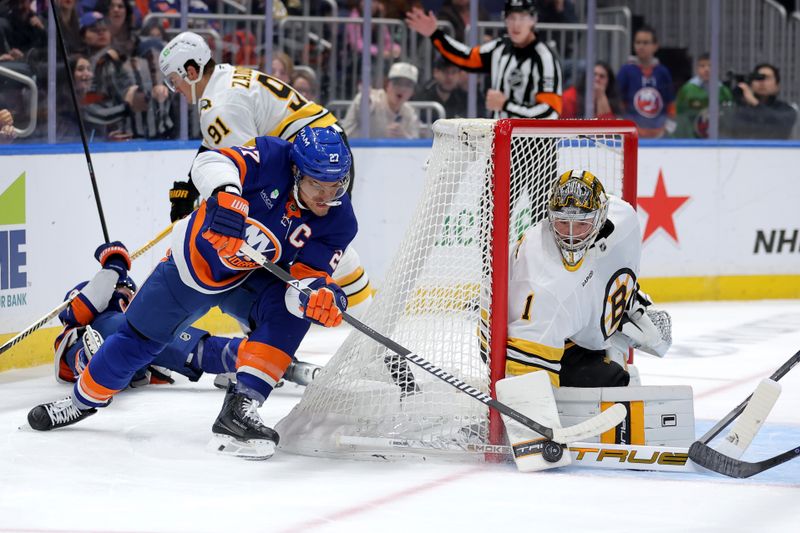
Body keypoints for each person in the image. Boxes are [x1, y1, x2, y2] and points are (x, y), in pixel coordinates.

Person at [28, 126, 356, 461]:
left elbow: (304, 281)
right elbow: (209, 162)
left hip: (250, 280)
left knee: (294, 313)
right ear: (296, 170)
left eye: (335, 185)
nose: (325, 196)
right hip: (193, 268)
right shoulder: (272, 156)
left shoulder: (340, 221)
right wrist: (228, 195)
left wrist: (320, 296)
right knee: (136, 341)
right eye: (316, 183)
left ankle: (240, 408)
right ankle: (81, 402)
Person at [158, 32, 372, 314]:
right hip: (322, 147)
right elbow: (216, 148)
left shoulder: (219, 107)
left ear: (192, 71)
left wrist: (201, 210)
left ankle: (363, 319)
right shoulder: (224, 78)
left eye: (175, 81)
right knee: (308, 239)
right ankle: (367, 315)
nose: (177, 92)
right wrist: (190, 187)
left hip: (312, 163)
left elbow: (239, 171)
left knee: (288, 242)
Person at [52, 242, 321, 389]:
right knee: (114, 327)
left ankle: (266, 362)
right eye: (122, 287)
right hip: (89, 342)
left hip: (135, 353)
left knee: (198, 348)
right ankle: (88, 360)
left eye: (126, 286)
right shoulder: (99, 295)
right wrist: (114, 266)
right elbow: (81, 309)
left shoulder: (135, 309)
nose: (125, 289)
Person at [506, 170, 671, 388]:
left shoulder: (624, 216)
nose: (570, 234)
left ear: (602, 216)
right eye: (563, 222)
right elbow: (526, 379)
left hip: (559, 323)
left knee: (613, 358)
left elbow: (607, 265)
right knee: (611, 380)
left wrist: (629, 303)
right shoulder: (546, 281)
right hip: (513, 334)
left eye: (581, 224)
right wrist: (535, 417)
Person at [406, 0, 562, 119]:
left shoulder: (544, 57)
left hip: (535, 149)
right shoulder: (499, 48)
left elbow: (550, 111)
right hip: (503, 144)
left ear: (533, 20)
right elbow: (466, 58)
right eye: (511, 17)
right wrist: (435, 34)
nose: (516, 24)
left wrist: (506, 105)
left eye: (522, 17)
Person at [617, 25, 675, 138]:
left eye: (645, 42)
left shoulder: (663, 72)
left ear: (655, 46)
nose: (641, 46)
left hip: (659, 133)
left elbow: (670, 103)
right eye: (638, 42)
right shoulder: (626, 70)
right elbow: (619, 102)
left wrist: (666, 129)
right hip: (632, 133)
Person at [341, 61, 421, 139]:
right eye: (397, 83)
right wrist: (365, 98)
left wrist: (404, 136)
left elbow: (415, 143)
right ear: (387, 85)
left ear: (412, 92)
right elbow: (364, 107)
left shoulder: (409, 113)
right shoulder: (371, 99)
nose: (402, 88)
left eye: (408, 85)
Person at [722, 63, 797, 140]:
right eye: (758, 78)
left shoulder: (786, 110)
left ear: (777, 87)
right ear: (751, 83)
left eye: (767, 78)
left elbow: (780, 123)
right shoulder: (739, 108)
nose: (762, 82)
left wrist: (755, 103)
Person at [674, 53, 734, 139]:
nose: (707, 69)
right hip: (691, 138)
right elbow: (679, 115)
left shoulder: (723, 91)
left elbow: (729, 116)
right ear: (697, 69)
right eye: (702, 66)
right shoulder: (687, 90)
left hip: (717, 138)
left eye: (710, 66)